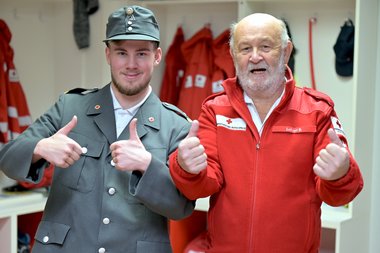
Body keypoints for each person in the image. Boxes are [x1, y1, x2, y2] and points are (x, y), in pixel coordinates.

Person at [0, 5, 194, 253]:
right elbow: (7, 159)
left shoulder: (176, 125)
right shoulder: (70, 106)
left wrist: (148, 166)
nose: (131, 64)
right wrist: (40, 148)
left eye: (142, 54)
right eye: (121, 52)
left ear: (157, 56)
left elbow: (181, 207)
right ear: (108, 55)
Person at [169, 13, 364, 252]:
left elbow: (339, 196)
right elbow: (199, 187)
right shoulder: (215, 109)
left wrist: (340, 174)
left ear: (286, 51)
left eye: (265, 46)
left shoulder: (317, 111)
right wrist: (186, 167)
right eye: (245, 48)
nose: (255, 57)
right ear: (233, 55)